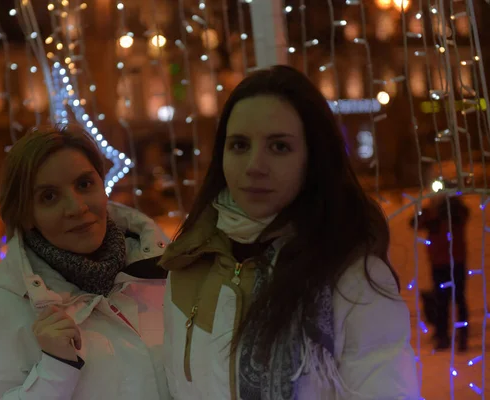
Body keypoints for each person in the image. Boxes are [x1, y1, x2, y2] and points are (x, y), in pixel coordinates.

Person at [159, 65, 419, 399]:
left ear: (312, 158)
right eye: (239, 145)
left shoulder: (350, 277)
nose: (255, 166)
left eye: (279, 147)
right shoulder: (186, 267)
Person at [0, 126, 170, 399]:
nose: (77, 207)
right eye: (49, 197)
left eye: (84, 184)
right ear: (26, 214)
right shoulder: (2, 312)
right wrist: (56, 371)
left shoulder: (164, 276)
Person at [410, 193, 470, 351]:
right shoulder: (433, 213)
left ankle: (461, 337)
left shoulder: (455, 211)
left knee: (457, 300)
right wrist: (428, 211)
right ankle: (444, 336)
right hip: (441, 263)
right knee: (443, 301)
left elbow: (463, 215)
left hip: (453, 262)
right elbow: (414, 223)